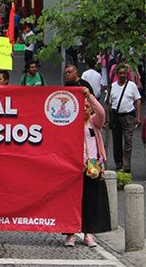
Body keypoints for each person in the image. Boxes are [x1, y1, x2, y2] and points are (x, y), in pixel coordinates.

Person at [64, 88, 110, 247]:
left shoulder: (94, 122)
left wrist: (89, 96)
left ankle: (87, 234)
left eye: (87, 107)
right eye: (81, 106)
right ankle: (70, 234)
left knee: (91, 201)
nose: (84, 109)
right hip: (74, 169)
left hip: (93, 169)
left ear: (90, 109)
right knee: (72, 202)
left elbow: (101, 112)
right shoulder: (69, 123)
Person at [108, 64, 142, 173]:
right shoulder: (113, 86)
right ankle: (119, 164)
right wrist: (107, 119)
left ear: (126, 74)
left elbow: (138, 100)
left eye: (124, 73)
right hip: (115, 116)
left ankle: (127, 165)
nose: (122, 75)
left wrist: (138, 116)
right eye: (120, 73)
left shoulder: (132, 86)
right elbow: (109, 103)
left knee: (128, 142)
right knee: (116, 142)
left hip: (128, 116)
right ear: (117, 74)